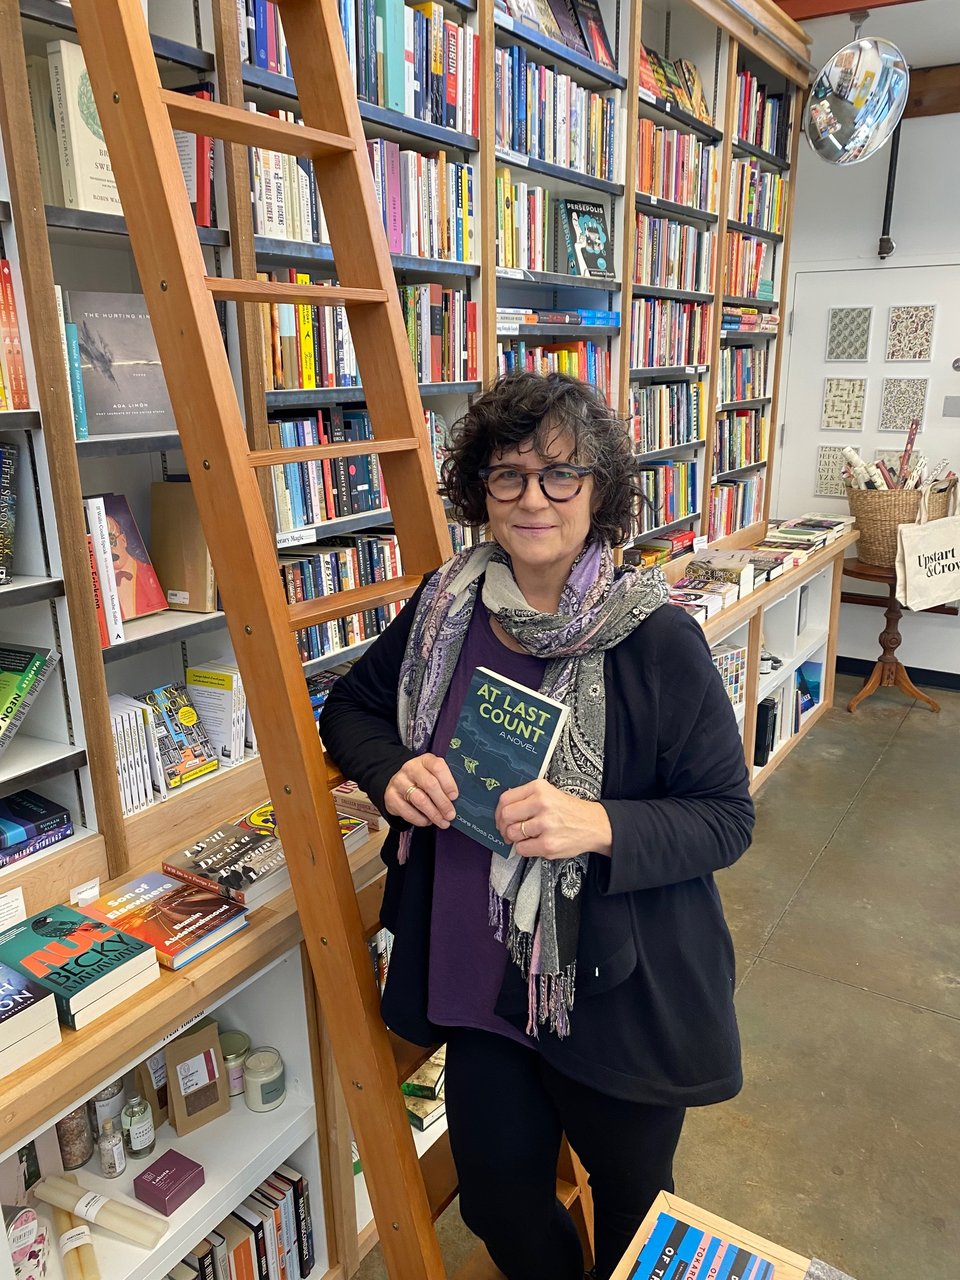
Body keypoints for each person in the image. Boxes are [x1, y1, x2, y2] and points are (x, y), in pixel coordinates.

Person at [318, 371, 755, 1280]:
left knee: (638, 1221)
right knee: (498, 1204)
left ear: (599, 491)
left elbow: (723, 817)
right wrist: (393, 768)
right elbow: (351, 709)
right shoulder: (447, 607)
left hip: (610, 991)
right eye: (508, 475)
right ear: (481, 489)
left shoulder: (656, 638)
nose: (532, 499)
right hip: (481, 985)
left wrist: (594, 823)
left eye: (561, 475)